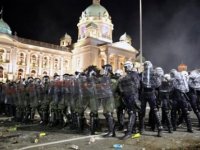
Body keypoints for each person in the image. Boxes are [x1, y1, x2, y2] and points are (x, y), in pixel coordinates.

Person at [118, 61, 140, 140]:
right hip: (127, 97)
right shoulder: (125, 76)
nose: (125, 68)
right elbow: (121, 87)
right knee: (132, 113)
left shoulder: (134, 75)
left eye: (126, 67)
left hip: (132, 96)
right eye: (125, 67)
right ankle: (134, 129)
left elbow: (137, 86)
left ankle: (129, 132)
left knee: (132, 113)